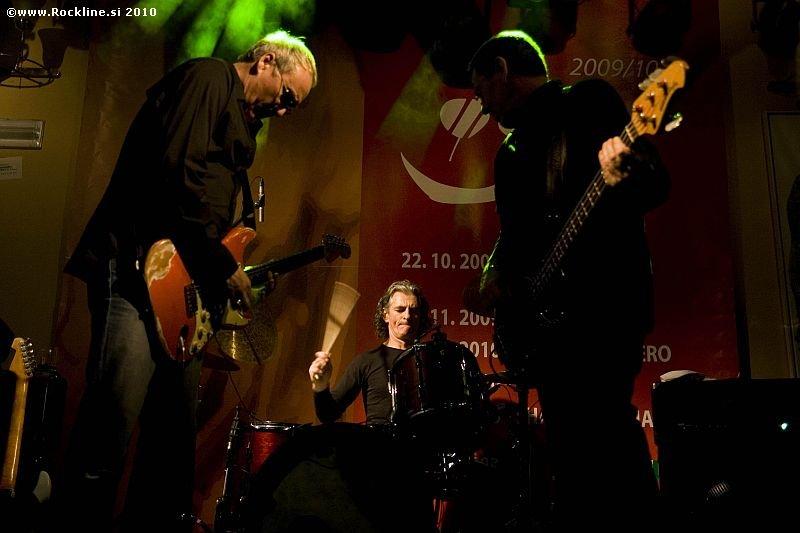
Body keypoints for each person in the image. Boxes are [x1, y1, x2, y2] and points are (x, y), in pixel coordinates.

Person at [61, 30, 317, 531]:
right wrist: (223, 267)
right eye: (288, 96)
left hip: (176, 293)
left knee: (169, 443)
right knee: (111, 422)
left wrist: (226, 277)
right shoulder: (208, 77)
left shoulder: (242, 131)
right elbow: (179, 174)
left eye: (295, 106)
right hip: (137, 274)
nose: (285, 112)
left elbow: (209, 217)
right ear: (266, 62)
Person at [466, 30, 670, 531]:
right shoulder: (510, 153)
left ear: (502, 70)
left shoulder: (587, 103)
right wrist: (494, 282)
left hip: (603, 311)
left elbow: (653, 185)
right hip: (548, 331)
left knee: (608, 437)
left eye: (480, 89)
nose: (482, 106)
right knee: (570, 457)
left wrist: (626, 169)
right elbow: (516, 240)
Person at [308, 279, 431, 424]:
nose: (407, 316)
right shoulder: (366, 361)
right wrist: (320, 385)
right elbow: (328, 414)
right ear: (385, 315)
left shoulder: (430, 359)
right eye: (400, 310)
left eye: (414, 310)